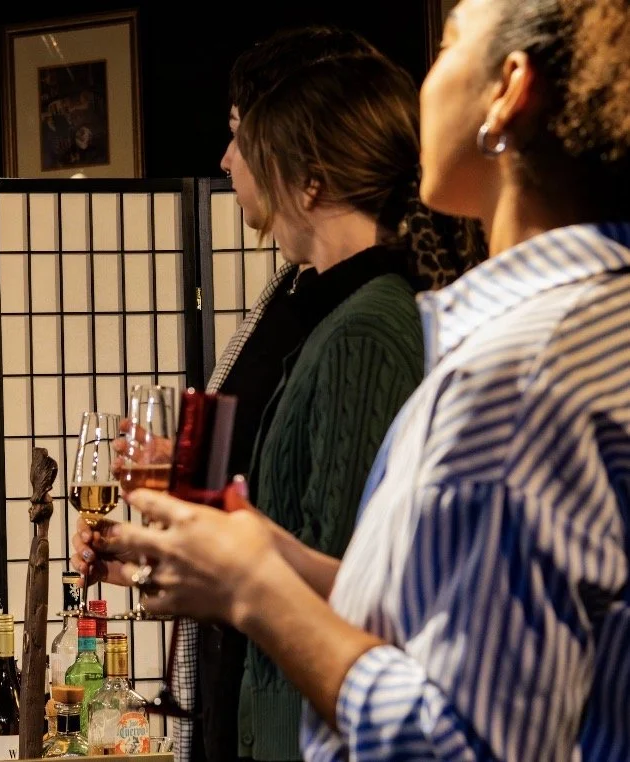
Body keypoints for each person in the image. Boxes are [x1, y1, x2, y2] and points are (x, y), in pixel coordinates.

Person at [99, 0, 630, 758]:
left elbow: (463, 741)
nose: (419, 91)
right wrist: (253, 555)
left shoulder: (521, 373)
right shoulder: (587, 329)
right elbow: (430, 618)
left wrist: (259, 591)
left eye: (446, 49)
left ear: (508, 91)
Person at [77, 27, 486, 762]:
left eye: (248, 143)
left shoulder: (363, 329)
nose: (230, 165)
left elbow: (347, 577)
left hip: (307, 719)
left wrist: (214, 571)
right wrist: (170, 551)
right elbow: (284, 513)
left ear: (310, 180)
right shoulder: (317, 310)